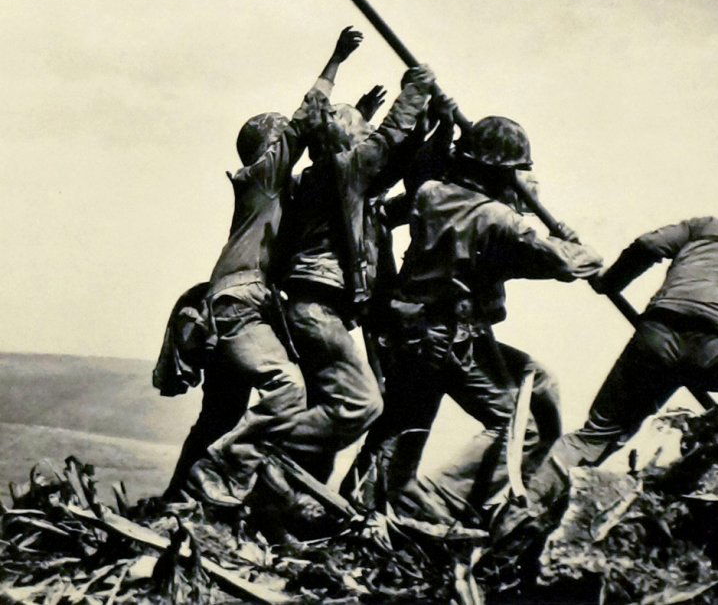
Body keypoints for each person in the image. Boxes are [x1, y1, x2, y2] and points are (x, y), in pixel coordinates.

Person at [360, 115, 603, 521]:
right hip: (448, 340)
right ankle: (440, 501)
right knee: (521, 428)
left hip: (411, 329)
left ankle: (381, 503)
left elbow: (386, 213)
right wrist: (578, 245)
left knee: (534, 383)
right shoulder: (500, 220)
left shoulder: (431, 193)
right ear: (499, 172)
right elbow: (566, 265)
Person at [164, 27, 363, 508]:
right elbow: (305, 121)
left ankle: (179, 498)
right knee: (287, 387)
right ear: (268, 148)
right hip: (239, 306)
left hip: (240, 307)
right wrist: (335, 61)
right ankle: (218, 480)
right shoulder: (261, 178)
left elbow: (330, 164)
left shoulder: (272, 191)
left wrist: (363, 120)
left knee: (221, 414)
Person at [528, 206, 718, 492]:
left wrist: (608, 283)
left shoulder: (706, 228)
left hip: (654, 340)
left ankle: (528, 505)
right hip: (713, 357)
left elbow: (648, 245)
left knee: (595, 435)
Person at [277, 63, 437, 483]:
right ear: (345, 139)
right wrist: (415, 90)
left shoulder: (336, 183)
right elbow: (385, 145)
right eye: (360, 131)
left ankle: (293, 496)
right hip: (317, 309)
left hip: (320, 309)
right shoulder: (342, 170)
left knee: (327, 412)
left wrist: (432, 131)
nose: (366, 137)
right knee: (362, 404)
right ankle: (255, 450)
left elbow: (396, 165)